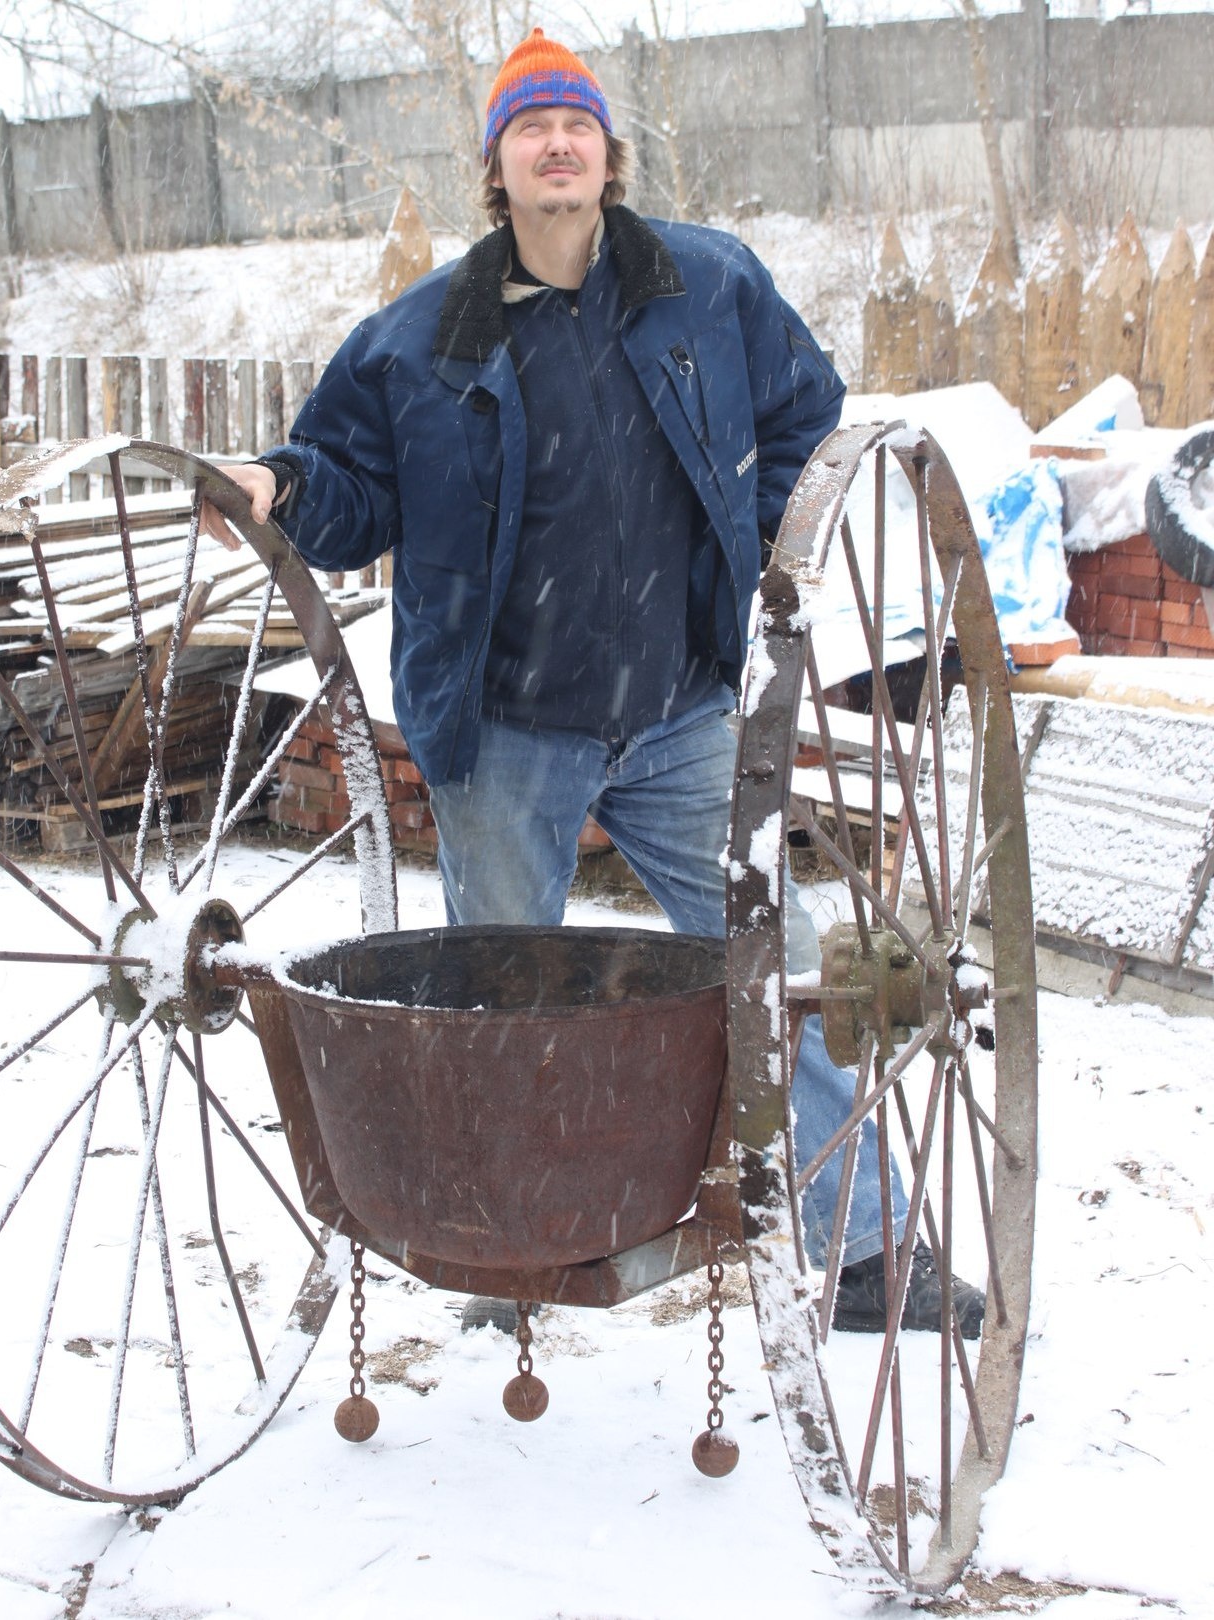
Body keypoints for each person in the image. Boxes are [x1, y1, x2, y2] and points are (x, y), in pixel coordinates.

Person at [203, 29, 982, 1339]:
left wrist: (756, 530)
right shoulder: (420, 339)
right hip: (504, 733)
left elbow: (807, 411)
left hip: (679, 707)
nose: (556, 142)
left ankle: (864, 1248)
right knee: (500, 1003)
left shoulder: (708, 285)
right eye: (529, 127)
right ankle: (503, 1252)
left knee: (776, 961)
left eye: (576, 123)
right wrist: (274, 487)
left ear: (609, 156)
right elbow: (344, 482)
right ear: (496, 167)